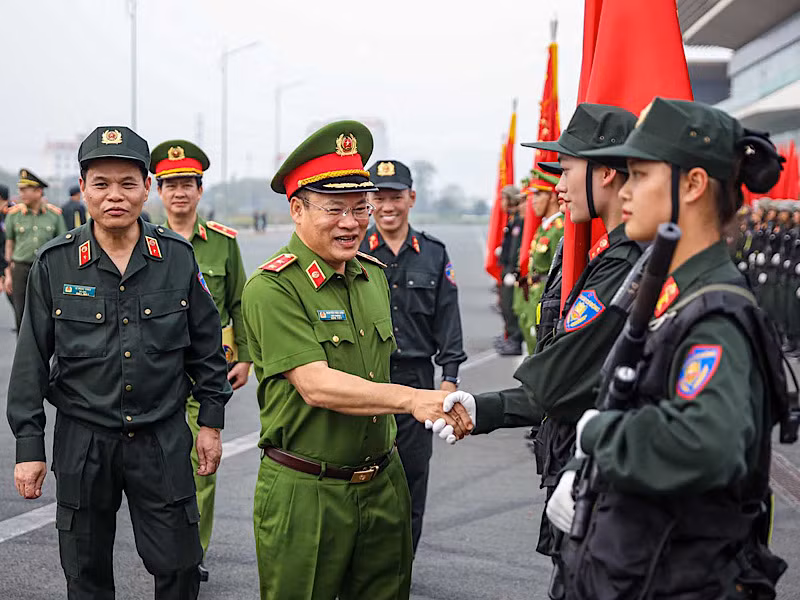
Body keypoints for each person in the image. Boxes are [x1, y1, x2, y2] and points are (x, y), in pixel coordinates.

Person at [542, 96, 792, 598]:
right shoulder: (669, 292)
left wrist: (600, 437)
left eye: (640, 175)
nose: (626, 190)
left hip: (680, 578)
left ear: (694, 185)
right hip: (642, 567)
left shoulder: (715, 315)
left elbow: (706, 444)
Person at [241, 120, 472, 600]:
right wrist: (412, 399)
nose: (352, 222)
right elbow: (316, 385)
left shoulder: (372, 277)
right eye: (334, 209)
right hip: (308, 492)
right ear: (297, 209)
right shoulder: (274, 287)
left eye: (359, 208)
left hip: (383, 484)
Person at [6, 126, 233, 599]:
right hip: (84, 439)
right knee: (84, 572)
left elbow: (207, 348)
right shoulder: (56, 263)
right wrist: (29, 445)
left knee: (180, 566)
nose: (116, 196)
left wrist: (210, 421)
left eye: (128, 184)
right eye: (102, 184)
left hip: (162, 437)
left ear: (147, 188)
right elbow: (30, 358)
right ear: (84, 188)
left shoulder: (176, 257)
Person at [435, 104, 640, 598]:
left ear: (606, 172)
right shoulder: (602, 255)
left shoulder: (624, 264)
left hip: (603, 478)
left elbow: (562, 377)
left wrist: (483, 407)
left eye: (566, 170)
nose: (559, 187)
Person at [152, 138, 251, 581]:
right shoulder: (144, 242)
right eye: (170, 184)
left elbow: (241, 304)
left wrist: (246, 356)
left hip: (205, 374)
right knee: (155, 470)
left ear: (200, 189)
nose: (179, 192)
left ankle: (193, 552)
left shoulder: (223, 245)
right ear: (157, 189)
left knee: (202, 466)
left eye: (186, 183)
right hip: (156, 375)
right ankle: (166, 544)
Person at [360, 158, 467, 554]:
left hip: (418, 382)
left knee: (411, 478)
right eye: (378, 197)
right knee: (363, 476)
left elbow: (448, 322)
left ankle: (400, 564)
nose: (387, 206)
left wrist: (450, 379)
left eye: (395, 197)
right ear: (368, 201)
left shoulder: (433, 255)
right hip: (367, 381)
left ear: (412, 198)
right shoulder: (354, 251)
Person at [4, 169, 67, 331]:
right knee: (21, 313)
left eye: (25, 190)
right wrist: (8, 274)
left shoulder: (54, 215)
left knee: (45, 312)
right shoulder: (13, 215)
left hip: (45, 268)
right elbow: (9, 244)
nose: (20, 193)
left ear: (38, 191)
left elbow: (62, 246)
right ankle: (24, 353)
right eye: (20, 189)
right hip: (20, 269)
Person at [514, 169, 564, 354]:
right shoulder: (546, 227)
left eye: (538, 194)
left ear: (552, 196)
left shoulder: (559, 228)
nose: (532, 201)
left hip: (546, 295)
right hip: (534, 295)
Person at [496, 185, 525, 355]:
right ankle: (510, 336)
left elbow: (518, 247)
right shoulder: (513, 218)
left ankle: (515, 339)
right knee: (505, 304)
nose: (502, 202)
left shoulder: (520, 220)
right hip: (506, 267)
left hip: (512, 270)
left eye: (504, 198)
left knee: (511, 306)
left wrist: (513, 269)